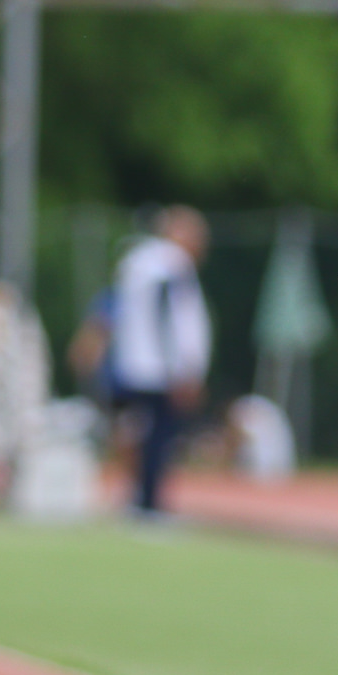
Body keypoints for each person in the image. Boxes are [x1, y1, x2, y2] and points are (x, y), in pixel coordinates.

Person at [109, 208, 211, 516]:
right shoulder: (171, 263)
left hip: (134, 362)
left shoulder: (137, 261)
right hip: (160, 369)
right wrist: (182, 368)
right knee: (159, 438)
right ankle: (149, 502)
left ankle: (137, 496)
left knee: (137, 432)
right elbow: (171, 320)